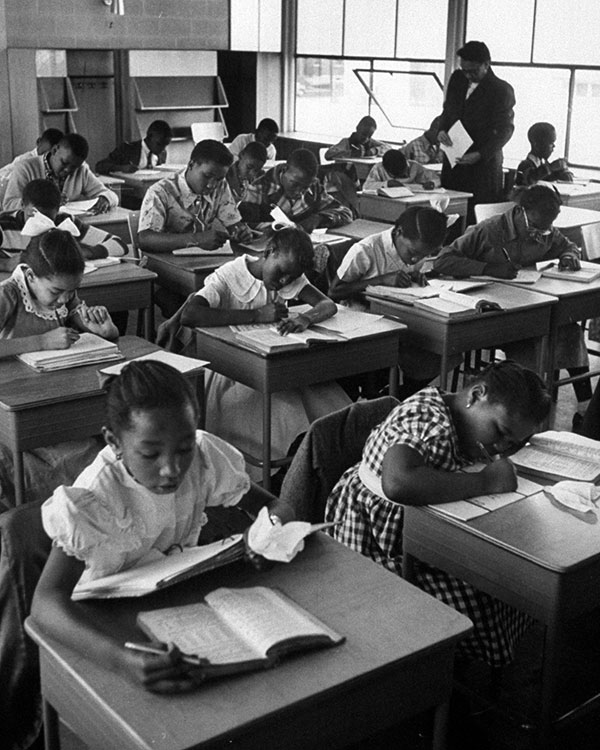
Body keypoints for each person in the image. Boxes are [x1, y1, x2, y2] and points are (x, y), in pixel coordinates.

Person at [4, 361, 291, 749]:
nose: (172, 469)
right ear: (114, 441)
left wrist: (265, 535)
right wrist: (122, 661)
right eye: (150, 453)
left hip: (173, 601)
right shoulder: (95, 497)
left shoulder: (204, 457)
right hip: (103, 629)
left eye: (184, 448)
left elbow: (278, 507)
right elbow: (46, 605)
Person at [325, 360, 551, 667]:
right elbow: (399, 482)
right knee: (484, 592)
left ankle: (450, 666)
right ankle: (439, 671)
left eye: (513, 444)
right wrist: (485, 481)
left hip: (412, 532)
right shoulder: (429, 421)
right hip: (373, 542)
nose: (499, 448)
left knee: (504, 578)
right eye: (499, 431)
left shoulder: (456, 414)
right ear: (476, 395)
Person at [160, 226, 350, 480]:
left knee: (324, 404)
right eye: (281, 272)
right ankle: (280, 475)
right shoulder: (230, 274)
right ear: (269, 252)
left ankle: (306, 466)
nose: (284, 282)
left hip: (272, 363)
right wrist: (255, 315)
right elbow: (190, 314)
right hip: (231, 371)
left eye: (291, 278)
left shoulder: (290, 276)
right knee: (284, 414)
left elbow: (327, 304)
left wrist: (305, 318)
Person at [433, 184, 592, 407]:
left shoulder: (545, 229)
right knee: (537, 339)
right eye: (538, 225)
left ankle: (585, 403)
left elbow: (568, 245)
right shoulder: (490, 230)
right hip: (495, 309)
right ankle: (529, 403)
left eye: (550, 224)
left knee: (569, 331)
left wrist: (569, 255)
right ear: (522, 210)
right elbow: (443, 260)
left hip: (529, 302)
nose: (544, 231)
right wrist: (488, 268)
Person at [0, 228, 119, 508]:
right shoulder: (8, 295)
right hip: (15, 405)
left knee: (108, 445)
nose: (65, 299)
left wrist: (105, 331)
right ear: (30, 276)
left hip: (56, 394)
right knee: (78, 459)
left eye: (72, 291)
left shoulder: (64, 297)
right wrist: (40, 341)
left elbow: (79, 320)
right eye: (57, 291)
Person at [329, 206, 453, 399]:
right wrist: (379, 280)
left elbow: (409, 269)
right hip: (362, 321)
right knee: (404, 345)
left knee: (443, 350)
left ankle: (397, 395)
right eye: (412, 252)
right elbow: (334, 291)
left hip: (400, 317)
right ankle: (383, 395)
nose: (415, 259)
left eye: (422, 256)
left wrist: (415, 277)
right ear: (398, 232)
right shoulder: (366, 249)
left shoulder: (415, 252)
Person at [138, 139, 253, 316]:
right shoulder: (160, 191)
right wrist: (197, 240)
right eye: (207, 176)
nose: (212, 185)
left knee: (238, 296)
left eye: (219, 179)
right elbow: (145, 239)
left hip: (201, 268)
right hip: (163, 275)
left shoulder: (220, 187)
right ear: (191, 164)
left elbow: (233, 223)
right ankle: (183, 342)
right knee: (186, 308)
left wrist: (240, 232)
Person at [438, 41, 515, 223]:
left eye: (473, 71)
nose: (468, 75)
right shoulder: (457, 79)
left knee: (476, 221)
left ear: (486, 64)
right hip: (453, 163)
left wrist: (480, 154)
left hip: (481, 168)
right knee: (448, 219)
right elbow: (447, 111)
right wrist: (441, 130)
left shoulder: (501, 90)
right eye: (464, 70)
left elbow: (505, 130)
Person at [0, 178, 127, 263]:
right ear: (22, 205)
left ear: (58, 210)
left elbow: (119, 244)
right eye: (33, 215)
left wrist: (86, 252)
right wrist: (6, 264)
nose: (41, 223)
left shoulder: (64, 221)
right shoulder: (3, 225)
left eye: (48, 218)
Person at [238, 148, 353, 232]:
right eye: (295, 184)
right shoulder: (259, 188)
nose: (299, 192)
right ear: (285, 169)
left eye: (305, 187)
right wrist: (279, 228)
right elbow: (243, 224)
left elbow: (345, 213)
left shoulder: (314, 189)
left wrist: (318, 219)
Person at [3, 133, 118, 215]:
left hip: (68, 227)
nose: (68, 170)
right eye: (64, 163)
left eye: (74, 167)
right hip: (32, 229)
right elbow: (9, 205)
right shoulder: (25, 168)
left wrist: (105, 199)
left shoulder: (81, 171)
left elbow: (110, 194)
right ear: (54, 150)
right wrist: (42, 201)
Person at [0, 128, 63, 206]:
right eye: (45, 153)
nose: (47, 156)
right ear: (38, 142)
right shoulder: (24, 160)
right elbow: (3, 177)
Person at [95, 119, 173, 175]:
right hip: (129, 193)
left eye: (165, 145)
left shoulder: (162, 153)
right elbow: (100, 166)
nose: (162, 149)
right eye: (159, 144)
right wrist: (121, 168)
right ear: (149, 137)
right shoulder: (127, 149)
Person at [515, 122, 574, 187]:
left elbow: (552, 177)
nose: (554, 146)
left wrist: (563, 171)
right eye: (550, 143)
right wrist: (551, 168)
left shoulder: (543, 164)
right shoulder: (525, 165)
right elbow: (531, 179)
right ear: (536, 145)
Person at [363, 149, 440, 191]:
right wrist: (387, 184)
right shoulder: (379, 168)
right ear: (388, 171)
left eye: (406, 171)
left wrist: (432, 183)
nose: (405, 175)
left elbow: (436, 178)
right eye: (400, 175)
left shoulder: (415, 166)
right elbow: (366, 187)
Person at [324, 116, 390, 160]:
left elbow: (388, 147)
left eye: (369, 136)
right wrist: (351, 153)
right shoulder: (346, 142)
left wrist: (375, 150)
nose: (366, 138)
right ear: (357, 128)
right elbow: (328, 155)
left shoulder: (370, 142)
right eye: (364, 134)